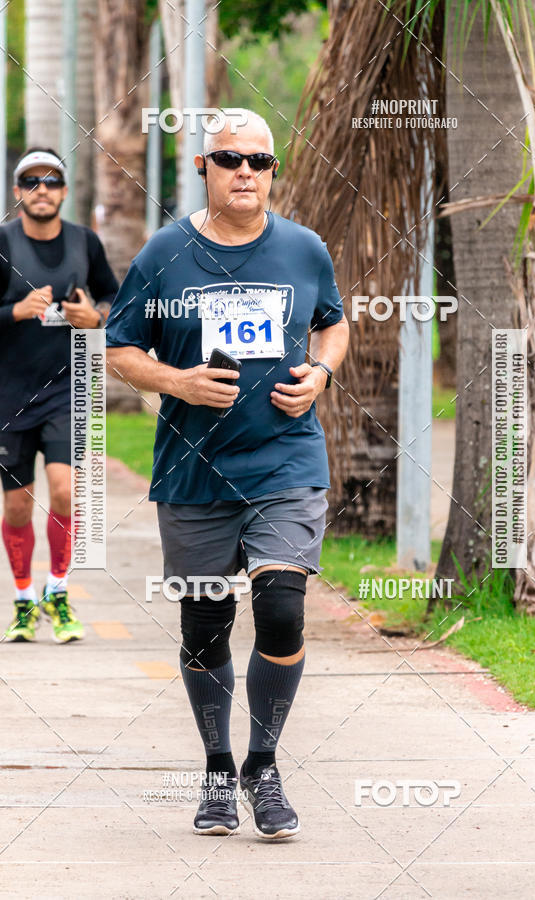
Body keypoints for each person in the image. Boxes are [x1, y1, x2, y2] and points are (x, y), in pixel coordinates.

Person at [105, 109, 349, 839]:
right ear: (204, 168)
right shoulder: (163, 255)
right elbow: (120, 349)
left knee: (280, 608)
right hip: (194, 471)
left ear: (273, 171)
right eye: (230, 159)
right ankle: (217, 768)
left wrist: (323, 373)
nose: (246, 172)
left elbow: (333, 321)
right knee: (206, 626)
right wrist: (176, 383)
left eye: (261, 161)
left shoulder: (304, 249)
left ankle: (263, 766)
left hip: (286, 458)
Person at [0, 147, 119, 643]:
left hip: (70, 389)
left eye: (51, 182)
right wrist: (15, 312)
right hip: (8, 396)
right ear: (17, 192)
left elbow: (114, 297)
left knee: (67, 491)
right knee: (18, 508)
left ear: (65, 192)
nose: (42, 190)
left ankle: (59, 589)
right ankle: (25, 599)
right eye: (32, 182)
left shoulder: (84, 243)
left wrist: (98, 319)